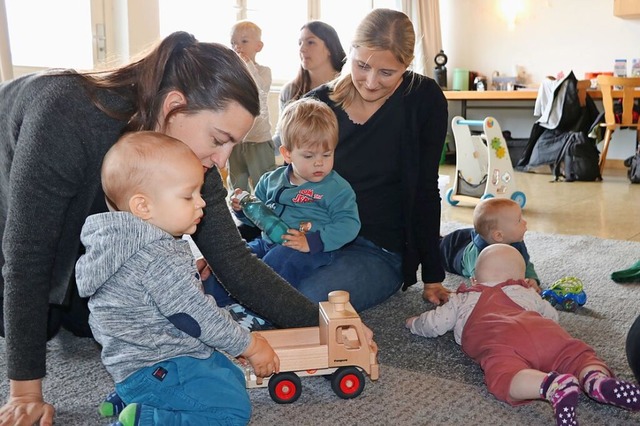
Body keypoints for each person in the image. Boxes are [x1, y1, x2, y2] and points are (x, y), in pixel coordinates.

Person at [0, 31, 320, 426]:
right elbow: (26, 257)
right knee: (35, 313)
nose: (222, 160)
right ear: (173, 107)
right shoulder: (66, 113)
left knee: (108, 321)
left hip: (96, 226)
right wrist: (24, 393)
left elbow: (232, 257)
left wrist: (322, 323)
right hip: (13, 195)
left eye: (233, 146)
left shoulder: (187, 155)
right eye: (220, 140)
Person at [75, 131, 280, 426]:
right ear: (143, 206)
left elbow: (144, 293)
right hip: (159, 364)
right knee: (232, 411)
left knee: (231, 374)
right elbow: (197, 317)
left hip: (130, 362)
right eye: (188, 195)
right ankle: (144, 416)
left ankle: (128, 396)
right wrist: (250, 345)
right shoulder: (159, 258)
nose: (201, 204)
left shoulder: (121, 243)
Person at [293, 8, 449, 310]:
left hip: (379, 249)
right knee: (263, 283)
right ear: (349, 51)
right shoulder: (316, 104)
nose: (371, 81)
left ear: (407, 65)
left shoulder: (424, 99)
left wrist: (433, 275)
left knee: (307, 302)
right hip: (314, 234)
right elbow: (289, 182)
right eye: (361, 65)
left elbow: (426, 189)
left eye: (387, 73)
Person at [406, 244, 640, 426]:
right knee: (577, 355)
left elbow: (435, 324)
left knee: (504, 375)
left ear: (474, 280)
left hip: (502, 342)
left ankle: (552, 386)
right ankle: (595, 379)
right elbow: (551, 318)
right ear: (519, 279)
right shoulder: (526, 292)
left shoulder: (463, 297)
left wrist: (414, 323)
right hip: (543, 332)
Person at [230, 97, 360, 287]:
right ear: (287, 154)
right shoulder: (270, 181)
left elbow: (349, 224)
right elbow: (257, 219)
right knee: (235, 259)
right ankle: (212, 302)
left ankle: (257, 310)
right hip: (268, 242)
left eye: (327, 154)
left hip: (309, 249)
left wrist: (313, 242)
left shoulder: (337, 188)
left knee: (274, 265)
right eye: (309, 155)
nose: (319, 162)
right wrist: (242, 209)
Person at [273, 21, 346, 159]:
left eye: (310, 42)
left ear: (329, 48)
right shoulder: (290, 90)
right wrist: (253, 149)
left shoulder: (347, 87)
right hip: (301, 173)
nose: (302, 49)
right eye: (299, 43)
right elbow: (282, 137)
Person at [439, 198, 541, 290]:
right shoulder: (478, 255)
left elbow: (525, 264)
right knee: (434, 250)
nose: (525, 222)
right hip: (452, 249)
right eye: (519, 220)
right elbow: (481, 283)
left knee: (485, 230)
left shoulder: (515, 241)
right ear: (499, 236)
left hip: (473, 236)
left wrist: (532, 279)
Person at [227, 20, 276, 193]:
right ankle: (239, 215)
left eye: (244, 41)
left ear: (259, 46)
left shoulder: (264, 71)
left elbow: (259, 88)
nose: (237, 46)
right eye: (233, 43)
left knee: (263, 182)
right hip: (236, 139)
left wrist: (246, 64)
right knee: (236, 183)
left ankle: (265, 214)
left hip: (258, 139)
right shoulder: (230, 74)